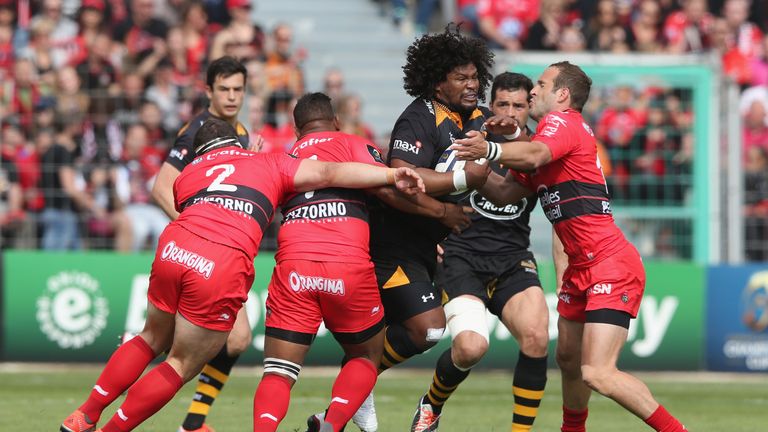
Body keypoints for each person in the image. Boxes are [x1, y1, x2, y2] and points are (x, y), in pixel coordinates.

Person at [59, 117, 425, 432]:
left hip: (174, 246)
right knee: (181, 363)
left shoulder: (187, 175)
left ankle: (84, 415)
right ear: (238, 143)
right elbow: (329, 172)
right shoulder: (268, 163)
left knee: (150, 337)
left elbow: (209, 189)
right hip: (221, 258)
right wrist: (392, 173)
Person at [450, 61, 688, 432]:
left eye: (541, 85)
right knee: (567, 356)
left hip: (610, 262)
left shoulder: (561, 123)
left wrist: (491, 150)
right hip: (582, 266)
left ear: (562, 95)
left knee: (597, 372)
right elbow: (504, 191)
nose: (532, 92)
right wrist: (464, 167)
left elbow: (534, 156)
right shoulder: (541, 139)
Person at [320, 26, 494, 432]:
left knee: (421, 329)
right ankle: (357, 380)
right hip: (392, 245)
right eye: (460, 78)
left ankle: (354, 385)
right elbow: (395, 183)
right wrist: (442, 213)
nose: (471, 86)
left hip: (425, 246)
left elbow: (496, 140)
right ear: (437, 81)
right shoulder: (419, 118)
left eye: (474, 77)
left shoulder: (476, 117)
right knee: (428, 328)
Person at [410, 72, 549, 432]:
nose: (510, 112)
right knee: (471, 348)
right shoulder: (469, 140)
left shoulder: (538, 149)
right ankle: (432, 404)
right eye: (503, 104)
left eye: (519, 105)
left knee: (536, 336)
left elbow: (513, 192)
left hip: (512, 259)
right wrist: (431, 232)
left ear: (529, 108)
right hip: (462, 258)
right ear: (491, 104)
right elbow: (425, 183)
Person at [150, 55, 257, 432]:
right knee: (175, 347)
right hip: (196, 250)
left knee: (238, 338)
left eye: (238, 89)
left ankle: (194, 422)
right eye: (224, 89)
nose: (231, 97)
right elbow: (161, 187)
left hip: (221, 253)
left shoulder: (241, 132)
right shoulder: (195, 131)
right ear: (208, 91)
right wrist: (193, 231)